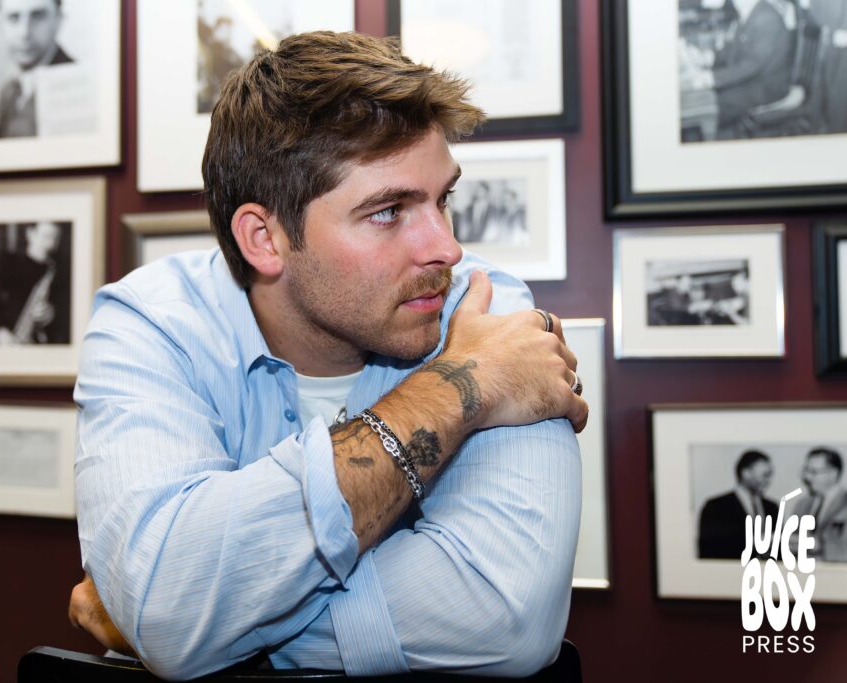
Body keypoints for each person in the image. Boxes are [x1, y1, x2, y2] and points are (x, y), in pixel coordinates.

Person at [69, 31, 587, 679]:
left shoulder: (486, 312)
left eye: (441, 199)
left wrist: (184, 627)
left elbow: (508, 615)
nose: (446, 249)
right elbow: (169, 607)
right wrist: (459, 387)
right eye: (389, 210)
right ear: (265, 238)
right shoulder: (152, 322)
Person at [685, 0, 795, 138]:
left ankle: (715, 142)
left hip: (768, 87)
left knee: (718, 101)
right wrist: (710, 57)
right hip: (755, 80)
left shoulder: (767, 17)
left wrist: (712, 78)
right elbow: (734, 49)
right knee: (710, 96)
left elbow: (752, 64)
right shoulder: (748, 12)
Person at [0, 0, 73, 139]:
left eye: (38, 16)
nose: (24, 33)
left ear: (59, 20)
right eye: (14, 18)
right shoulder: (8, 91)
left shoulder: (76, 88)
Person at [0, 221, 69, 345]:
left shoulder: (60, 271)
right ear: (30, 233)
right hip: (7, 341)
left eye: (55, 238)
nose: (50, 244)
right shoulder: (8, 264)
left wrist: (51, 314)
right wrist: (0, 330)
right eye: (46, 236)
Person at [698, 449, 779, 559]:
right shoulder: (715, 507)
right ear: (746, 473)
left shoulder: (773, 507)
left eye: (770, 475)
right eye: (765, 475)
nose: (769, 481)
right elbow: (710, 548)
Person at [791, 447, 847, 561]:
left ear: (833, 473)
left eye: (814, 472)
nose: (807, 477)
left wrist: (820, 545)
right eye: (806, 471)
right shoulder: (801, 505)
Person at [808, 0, 847, 133]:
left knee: (839, 108)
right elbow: (815, 11)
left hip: (844, 42)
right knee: (822, 104)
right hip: (829, 38)